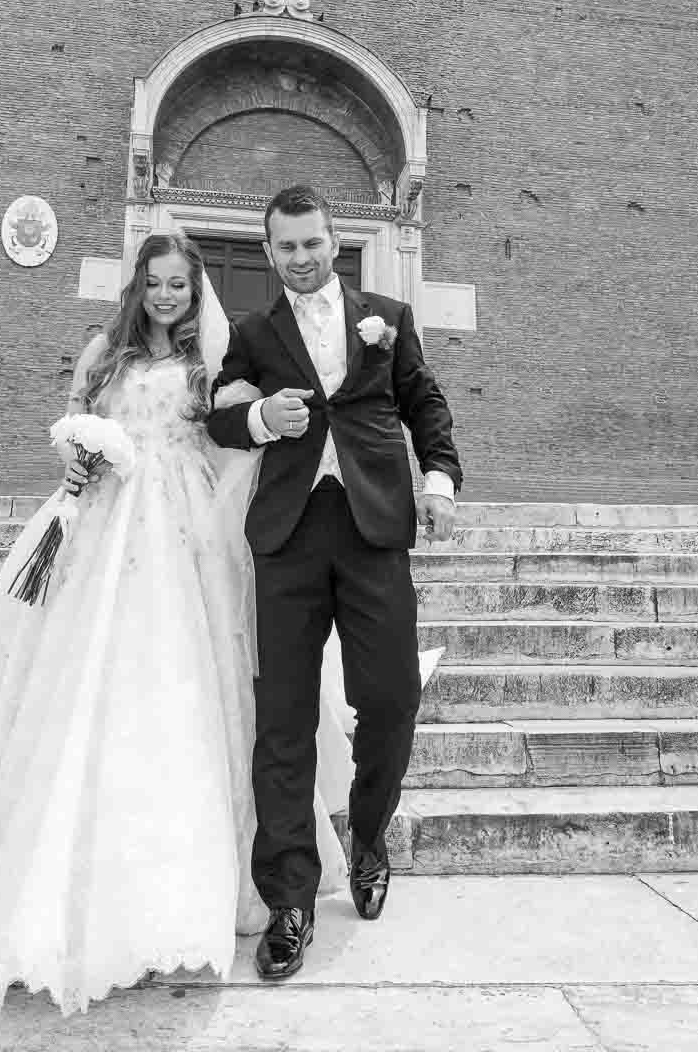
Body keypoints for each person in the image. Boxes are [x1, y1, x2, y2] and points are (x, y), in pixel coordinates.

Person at [0, 230, 351, 1015]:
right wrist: (76, 456)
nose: (164, 295)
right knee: (79, 679)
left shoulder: (207, 365)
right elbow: (75, 422)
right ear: (137, 287)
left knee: (177, 680)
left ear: (195, 289)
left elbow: (229, 444)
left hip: (180, 530)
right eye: (153, 283)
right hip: (100, 528)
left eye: (178, 284)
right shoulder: (101, 355)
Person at [207, 184, 463, 981]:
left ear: (332, 238)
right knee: (281, 716)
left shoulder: (387, 314)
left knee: (391, 697)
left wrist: (439, 482)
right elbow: (216, 412)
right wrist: (257, 422)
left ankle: (369, 836)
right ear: (268, 251)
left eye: (312, 243)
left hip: (374, 526)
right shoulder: (253, 332)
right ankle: (289, 900)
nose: (301, 258)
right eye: (285, 247)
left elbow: (425, 402)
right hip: (286, 536)